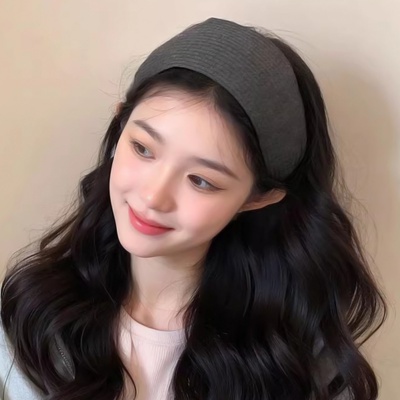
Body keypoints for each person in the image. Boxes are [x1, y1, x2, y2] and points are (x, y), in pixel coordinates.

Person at [0, 17, 387, 400]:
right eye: (143, 149)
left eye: (201, 180)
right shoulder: (31, 322)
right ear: (119, 127)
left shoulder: (299, 366)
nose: (153, 197)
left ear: (258, 198)